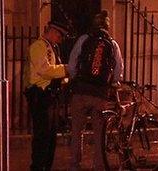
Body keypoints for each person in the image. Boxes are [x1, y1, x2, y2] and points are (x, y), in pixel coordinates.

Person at [67, 10, 124, 170]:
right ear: (107, 26)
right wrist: (112, 83)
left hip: (80, 92)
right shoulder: (112, 44)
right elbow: (118, 71)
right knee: (100, 133)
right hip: (100, 95)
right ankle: (98, 165)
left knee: (77, 130)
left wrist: (75, 78)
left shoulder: (84, 40)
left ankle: (74, 165)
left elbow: (72, 65)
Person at [24, 21, 69, 170]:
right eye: (60, 35)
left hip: (51, 97)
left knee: (50, 138)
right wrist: (66, 69)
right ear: (53, 31)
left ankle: (45, 167)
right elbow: (45, 70)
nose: (60, 39)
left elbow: (53, 71)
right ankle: (38, 168)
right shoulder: (38, 46)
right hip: (41, 96)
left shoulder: (52, 47)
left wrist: (65, 78)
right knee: (42, 137)